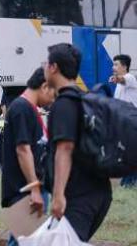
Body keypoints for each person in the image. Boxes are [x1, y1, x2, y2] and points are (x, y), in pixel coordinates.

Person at [44, 43, 112, 242]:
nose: (44, 68)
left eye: (46, 64)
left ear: (54, 67)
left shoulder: (64, 104)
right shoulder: (85, 99)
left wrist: (58, 196)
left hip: (78, 197)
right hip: (99, 192)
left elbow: (64, 149)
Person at [1, 68, 55, 246]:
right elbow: (23, 149)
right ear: (45, 86)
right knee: (23, 241)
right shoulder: (22, 108)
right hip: (24, 191)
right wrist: (34, 189)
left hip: (28, 190)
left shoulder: (27, 108)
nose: (53, 99)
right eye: (53, 93)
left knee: (25, 240)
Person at [110, 54, 137, 187]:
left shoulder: (130, 78)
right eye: (113, 64)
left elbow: (122, 79)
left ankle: (129, 183)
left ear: (125, 66)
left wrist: (116, 79)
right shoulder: (119, 86)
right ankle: (128, 182)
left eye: (116, 64)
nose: (113, 67)